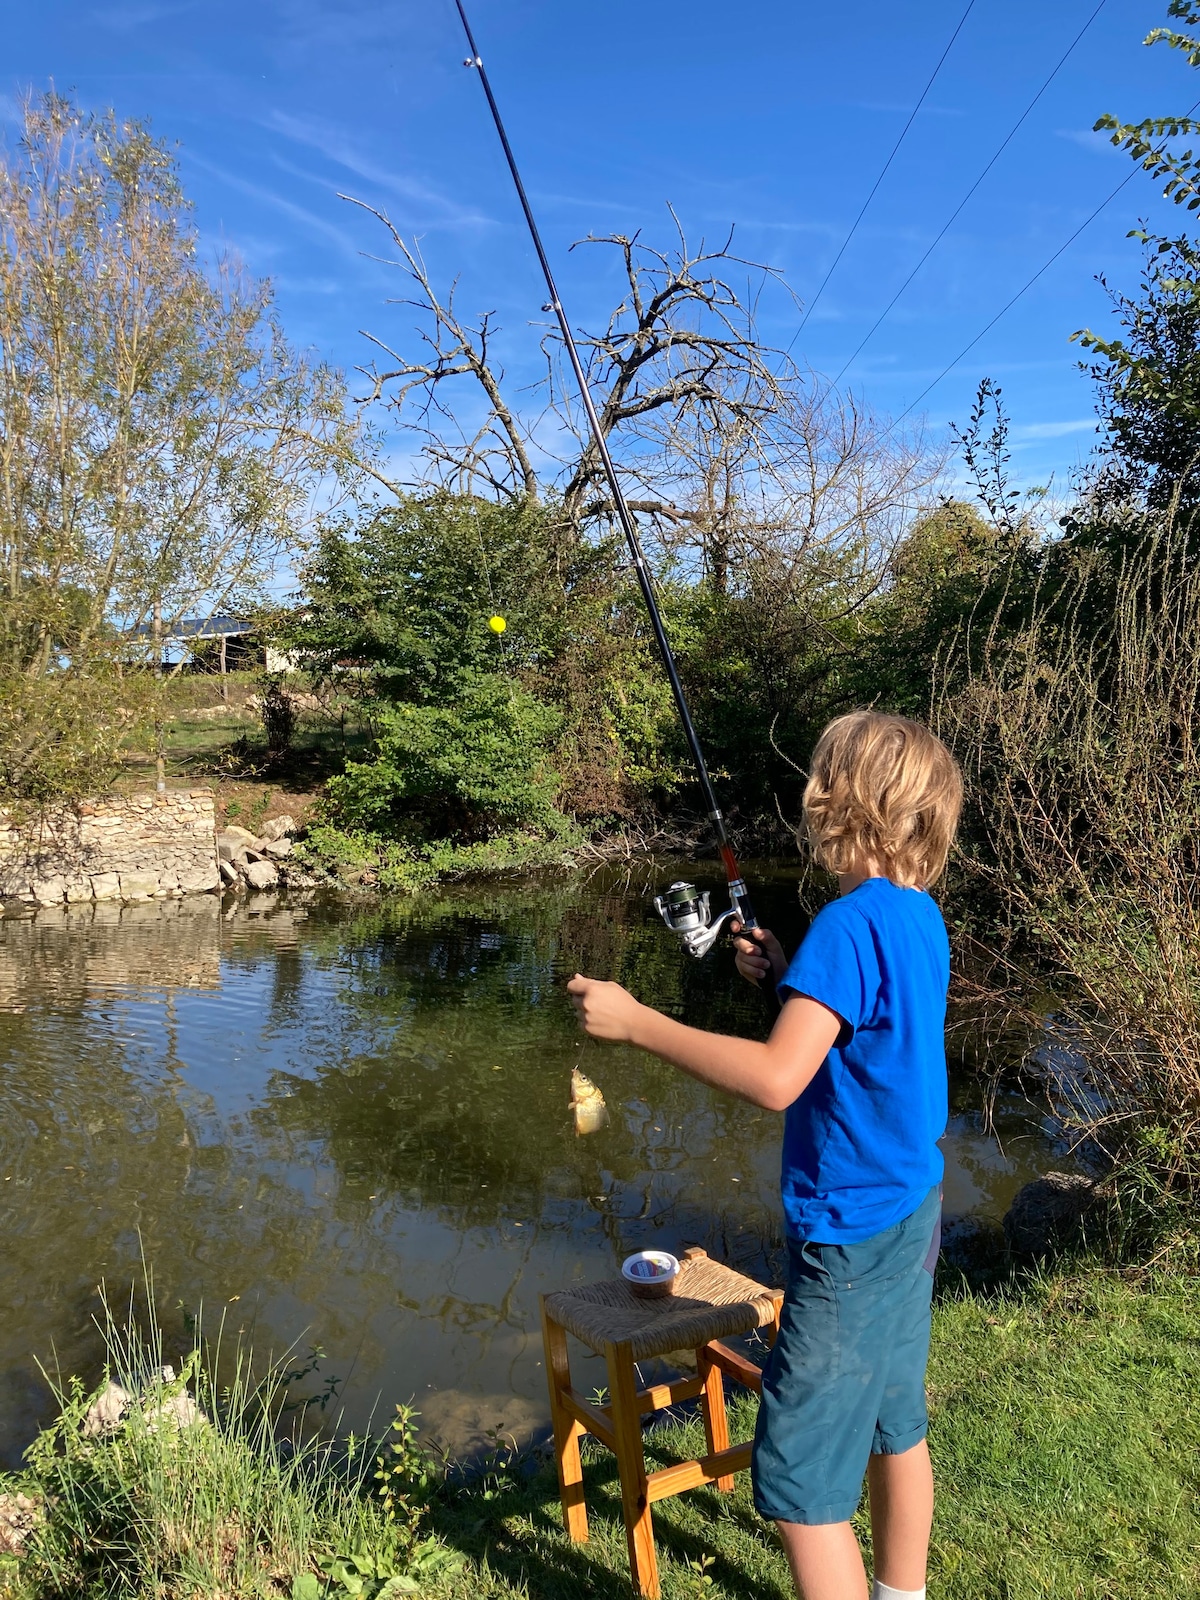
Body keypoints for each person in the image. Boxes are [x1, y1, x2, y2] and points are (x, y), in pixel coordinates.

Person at [567, 710, 962, 1600]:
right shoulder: (915, 916)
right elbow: (862, 1038)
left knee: (802, 1491)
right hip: (911, 1213)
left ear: (840, 801)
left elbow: (781, 1078)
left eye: (818, 781)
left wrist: (641, 1024)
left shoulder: (847, 925)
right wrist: (790, 974)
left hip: (851, 1237)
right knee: (896, 1426)